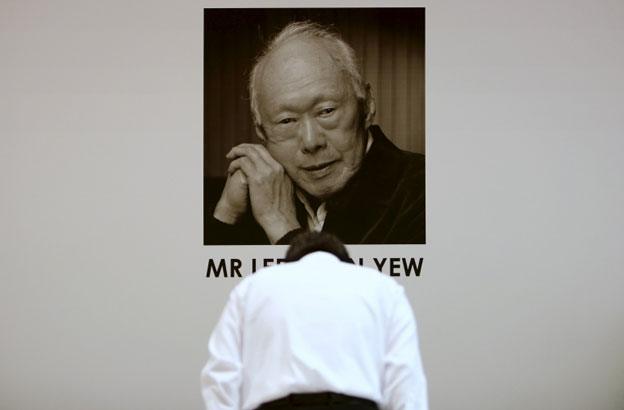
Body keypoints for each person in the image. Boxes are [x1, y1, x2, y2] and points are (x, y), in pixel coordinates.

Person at [205, 21, 425, 245]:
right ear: (261, 131)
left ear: (366, 107)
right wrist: (227, 214)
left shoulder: (425, 193)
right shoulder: (244, 199)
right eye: (287, 120)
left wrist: (281, 225)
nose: (311, 142)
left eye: (326, 111)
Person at [200, 231, 428, 410]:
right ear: (346, 262)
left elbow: (221, 373)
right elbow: (404, 377)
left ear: (289, 262)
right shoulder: (383, 288)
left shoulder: (252, 287)